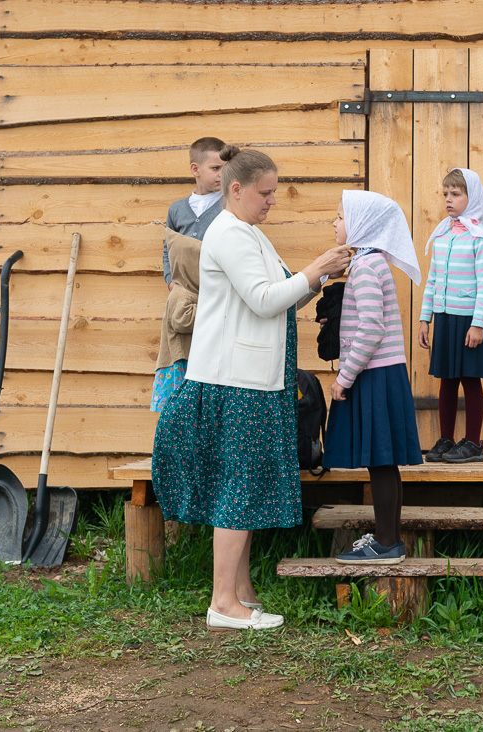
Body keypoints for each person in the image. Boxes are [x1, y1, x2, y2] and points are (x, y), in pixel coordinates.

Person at [152, 146, 352, 630]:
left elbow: (282, 295)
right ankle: (223, 603)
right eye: (265, 193)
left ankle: (241, 591)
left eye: (274, 193)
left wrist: (319, 275)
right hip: (235, 381)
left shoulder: (249, 233)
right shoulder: (230, 234)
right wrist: (315, 267)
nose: (272, 201)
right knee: (236, 490)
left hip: (251, 380)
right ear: (235, 189)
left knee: (237, 487)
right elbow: (265, 301)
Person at [322, 190, 423, 564]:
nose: (335, 223)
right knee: (385, 461)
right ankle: (389, 539)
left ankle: (385, 543)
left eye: (340, 216)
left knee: (380, 460)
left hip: (372, 374)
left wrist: (343, 378)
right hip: (385, 371)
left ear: (362, 224)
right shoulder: (373, 262)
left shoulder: (365, 267)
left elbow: (370, 329)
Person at [417, 168, 483, 464]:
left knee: (470, 379)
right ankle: (446, 439)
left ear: (471, 197)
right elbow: (433, 280)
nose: (448, 200)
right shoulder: (443, 235)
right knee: (446, 381)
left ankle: (473, 443)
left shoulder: (480, 237)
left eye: (456, 194)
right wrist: (426, 318)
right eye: (445, 194)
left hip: (468, 322)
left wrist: (478, 324)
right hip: (445, 320)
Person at [163, 136, 226, 290]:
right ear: (195, 169)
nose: (222, 174)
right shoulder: (177, 209)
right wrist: (171, 282)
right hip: (182, 294)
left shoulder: (230, 206)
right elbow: (168, 249)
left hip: (218, 293)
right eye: (216, 168)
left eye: (226, 168)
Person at [150, 229, 200, 412]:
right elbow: (182, 320)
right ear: (189, 268)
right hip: (176, 364)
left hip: (180, 362)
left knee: (180, 412)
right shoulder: (182, 293)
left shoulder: (189, 291)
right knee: (177, 411)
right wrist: (210, 309)